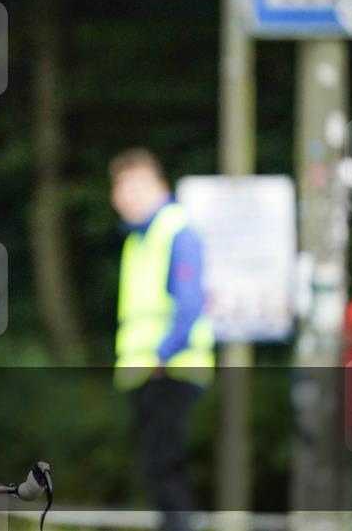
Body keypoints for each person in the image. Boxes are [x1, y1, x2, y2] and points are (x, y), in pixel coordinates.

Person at [108, 148, 214, 531]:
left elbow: (190, 304)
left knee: (165, 468)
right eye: (121, 188)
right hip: (149, 373)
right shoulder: (138, 239)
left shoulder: (174, 230)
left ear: (161, 187)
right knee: (157, 471)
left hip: (171, 370)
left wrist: (161, 356)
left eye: (136, 187)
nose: (127, 197)